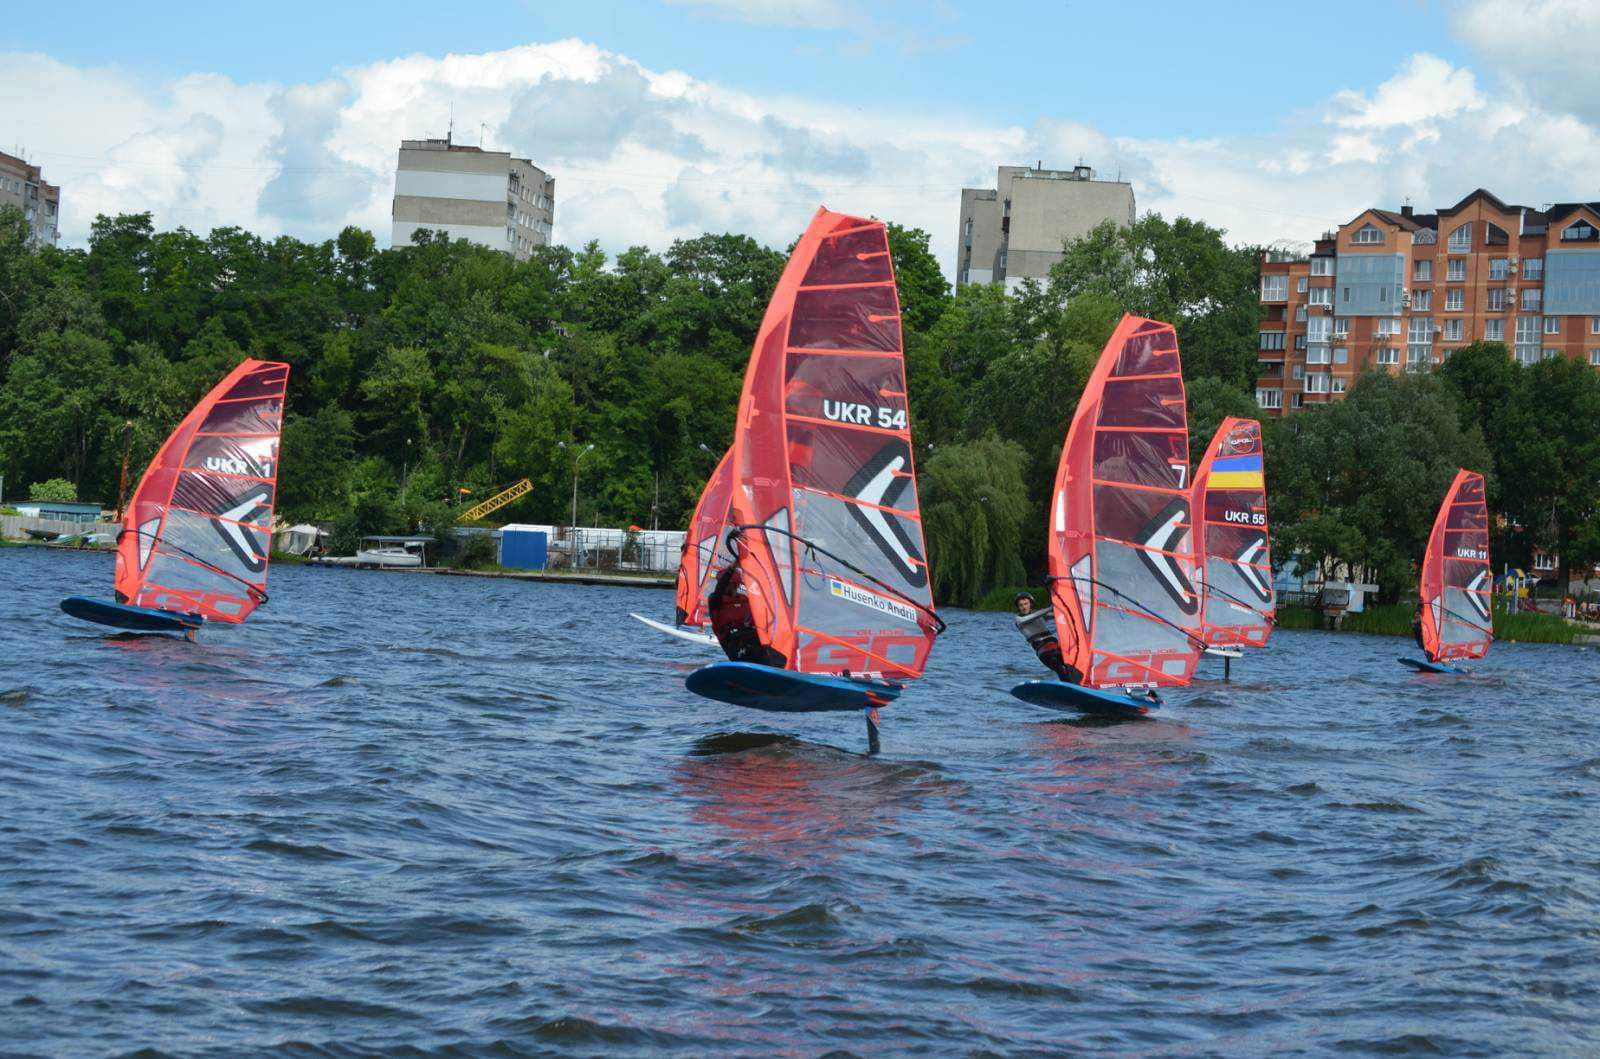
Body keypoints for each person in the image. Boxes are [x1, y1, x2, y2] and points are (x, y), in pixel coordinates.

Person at [707, 556, 786, 669]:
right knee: (757, 647)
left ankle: (786, 670)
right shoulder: (715, 601)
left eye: (733, 585)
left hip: (754, 639)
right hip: (733, 644)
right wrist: (732, 567)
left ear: (736, 584)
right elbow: (720, 588)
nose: (723, 585)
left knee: (775, 645)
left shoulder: (744, 600)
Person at [1014, 592, 1083, 684]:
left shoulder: (1041, 615)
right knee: (1058, 667)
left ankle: (1080, 684)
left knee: (1070, 666)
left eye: (1026, 604)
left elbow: (1059, 614)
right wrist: (1051, 607)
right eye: (1021, 605)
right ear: (1018, 607)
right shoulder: (1019, 619)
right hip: (1043, 650)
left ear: (1031, 604)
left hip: (1055, 645)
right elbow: (1035, 615)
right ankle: (1070, 687)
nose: (1024, 607)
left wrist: (1072, 608)